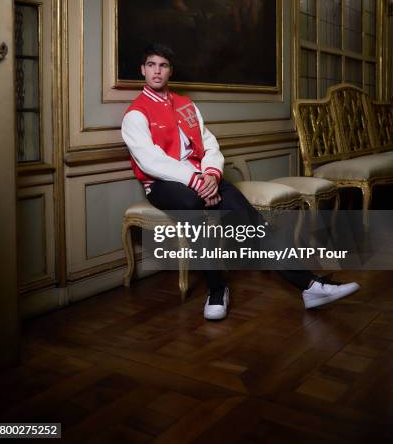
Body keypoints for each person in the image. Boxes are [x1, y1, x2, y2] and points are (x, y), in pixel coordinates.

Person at [121, 43, 360, 319]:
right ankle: (217, 288)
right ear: (143, 69)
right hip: (163, 184)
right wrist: (197, 184)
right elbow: (150, 161)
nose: (157, 71)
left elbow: (210, 145)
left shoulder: (187, 105)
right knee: (191, 206)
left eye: (162, 65)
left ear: (170, 71)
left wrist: (210, 175)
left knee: (249, 218)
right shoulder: (136, 114)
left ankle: (309, 285)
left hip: (203, 177)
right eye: (151, 65)